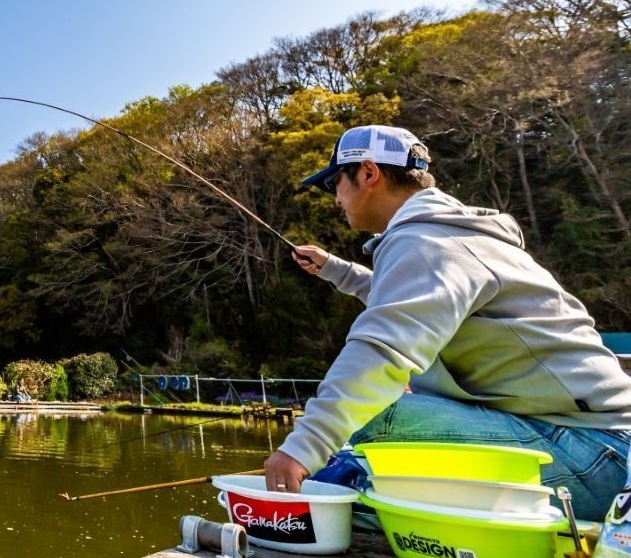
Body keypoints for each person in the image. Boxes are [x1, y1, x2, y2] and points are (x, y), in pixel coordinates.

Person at [262, 125, 631, 522]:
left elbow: (383, 349)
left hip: (596, 454)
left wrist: (303, 446)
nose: (335, 196)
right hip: (596, 444)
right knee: (354, 459)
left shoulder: (427, 243)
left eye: (336, 182)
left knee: (372, 419)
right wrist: (336, 270)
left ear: (369, 173)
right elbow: (417, 304)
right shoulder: (448, 237)